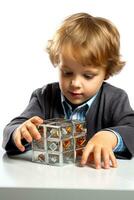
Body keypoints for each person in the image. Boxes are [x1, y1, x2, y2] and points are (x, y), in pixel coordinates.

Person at [2, 12, 134, 169]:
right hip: (49, 181)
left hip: (98, 181)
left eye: (88, 75)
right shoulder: (44, 96)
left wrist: (111, 137)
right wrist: (20, 131)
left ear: (106, 72)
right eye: (67, 72)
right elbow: (11, 128)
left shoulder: (115, 99)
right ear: (58, 64)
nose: (75, 83)